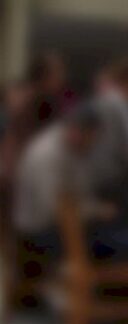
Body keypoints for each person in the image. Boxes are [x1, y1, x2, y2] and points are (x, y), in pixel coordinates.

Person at [13, 104, 107, 263]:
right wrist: (96, 211)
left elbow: (81, 191)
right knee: (117, 246)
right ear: (78, 132)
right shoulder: (48, 154)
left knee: (116, 235)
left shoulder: (72, 147)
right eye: (91, 138)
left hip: (60, 225)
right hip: (37, 235)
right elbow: (54, 209)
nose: (93, 143)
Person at [89, 59, 128, 227]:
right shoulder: (121, 105)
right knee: (120, 227)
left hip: (95, 175)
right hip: (115, 178)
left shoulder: (99, 102)